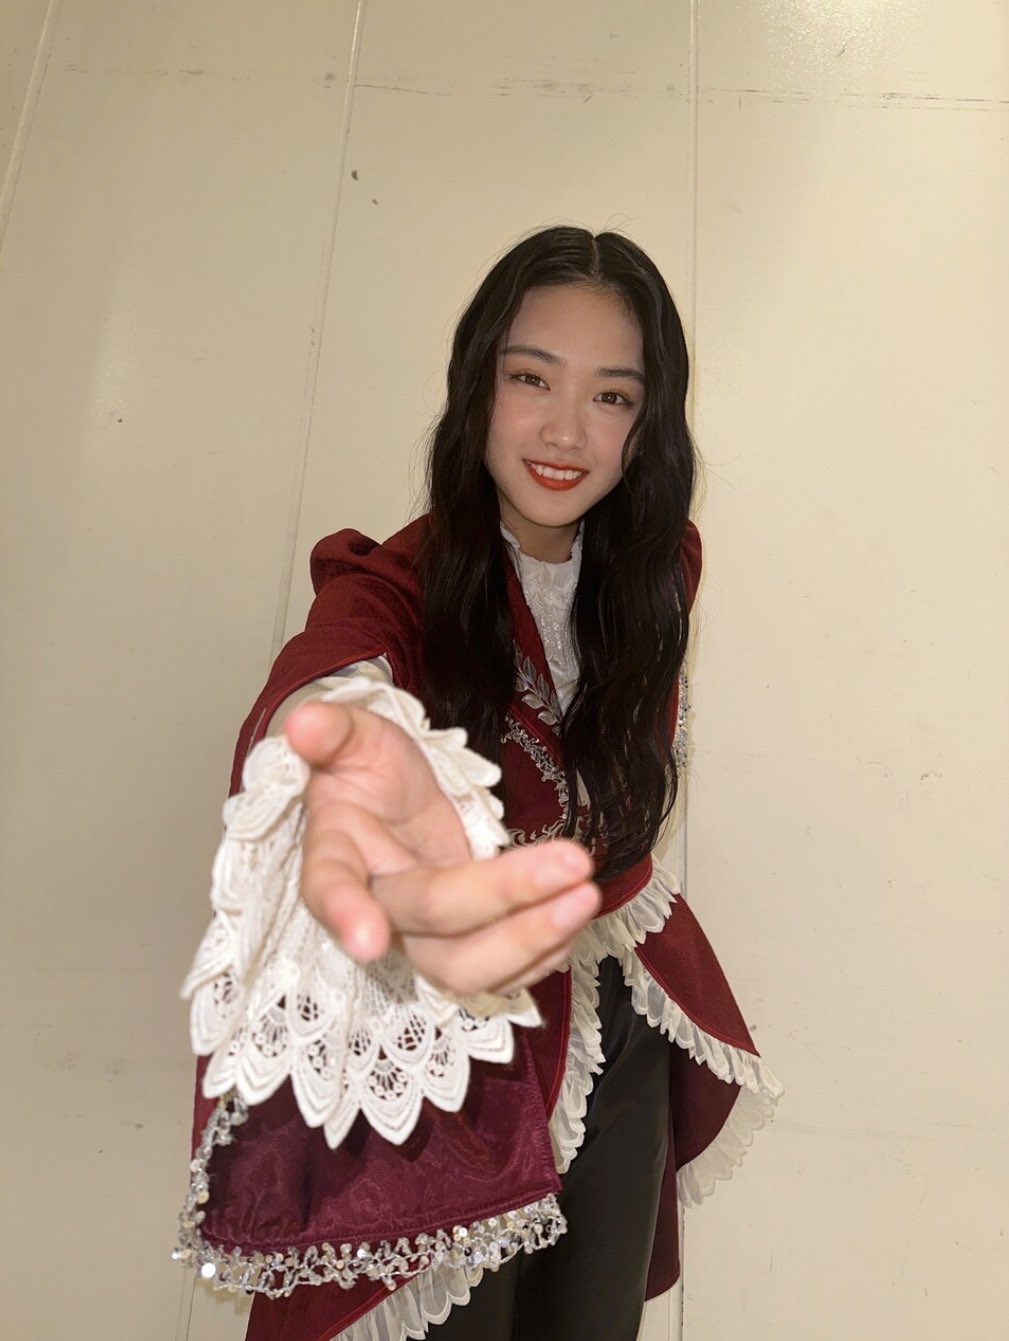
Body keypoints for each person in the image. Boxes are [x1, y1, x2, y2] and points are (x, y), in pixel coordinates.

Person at [174, 227, 781, 1341]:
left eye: (610, 396)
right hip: (450, 1052)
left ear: (647, 422)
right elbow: (331, 677)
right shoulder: (397, 583)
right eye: (531, 379)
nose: (565, 431)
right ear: (476, 386)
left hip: (613, 1019)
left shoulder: (658, 575)